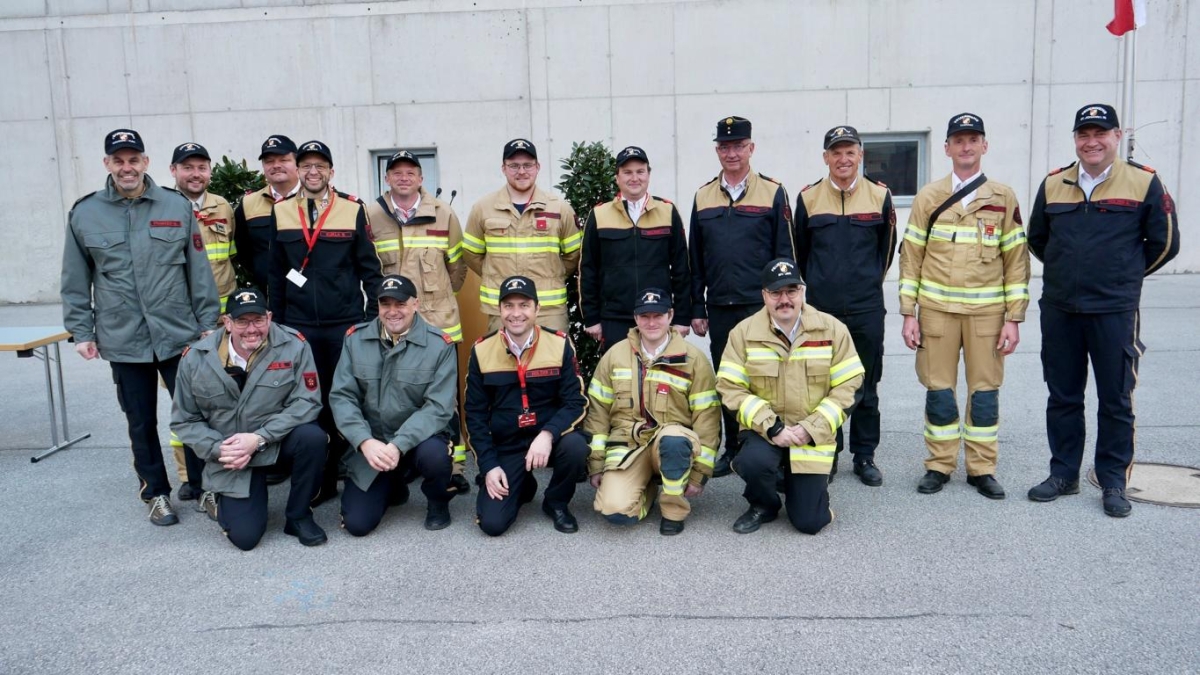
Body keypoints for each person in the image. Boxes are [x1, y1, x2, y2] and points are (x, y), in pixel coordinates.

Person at [1026, 103, 1180, 517]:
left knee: (1116, 399)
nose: (1091, 142)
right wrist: (1068, 274)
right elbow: (1038, 239)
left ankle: (1113, 481)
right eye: (1084, 134)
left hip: (1114, 311)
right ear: (1075, 139)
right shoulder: (1054, 183)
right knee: (1063, 396)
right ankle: (1063, 474)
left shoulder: (1143, 182)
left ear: (1117, 136)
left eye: (1100, 133)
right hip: (1061, 309)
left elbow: (1166, 243)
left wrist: (1123, 277)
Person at [61, 128, 219, 526]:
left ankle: (205, 487)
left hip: (178, 333)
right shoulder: (85, 213)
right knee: (141, 420)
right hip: (123, 336)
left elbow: (199, 271)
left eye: (133, 159)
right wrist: (82, 331)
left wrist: (206, 323)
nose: (126, 167)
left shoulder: (175, 206)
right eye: (118, 160)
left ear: (146, 162)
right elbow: (75, 279)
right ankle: (156, 493)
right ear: (107, 164)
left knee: (195, 414)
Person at [898, 113, 1030, 500]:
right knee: (939, 391)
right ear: (947, 148)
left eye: (973, 140)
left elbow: (1016, 262)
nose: (966, 147)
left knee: (984, 394)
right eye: (958, 140)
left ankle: (981, 468)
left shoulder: (1003, 198)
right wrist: (908, 313)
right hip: (936, 313)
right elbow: (911, 258)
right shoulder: (928, 197)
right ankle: (939, 465)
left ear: (984, 145)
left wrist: (1014, 318)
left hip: (986, 317)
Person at [268, 140, 384, 505]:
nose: (313, 172)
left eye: (320, 165)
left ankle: (349, 467)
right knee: (309, 401)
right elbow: (277, 275)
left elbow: (370, 271)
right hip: (299, 326)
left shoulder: (352, 209)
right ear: (297, 170)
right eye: (306, 166)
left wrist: (369, 322)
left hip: (344, 324)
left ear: (331, 171)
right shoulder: (282, 211)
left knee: (343, 398)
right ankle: (322, 477)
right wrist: (279, 326)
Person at [171, 288, 327, 549]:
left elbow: (307, 402)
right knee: (245, 538)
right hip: (232, 454)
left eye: (258, 320)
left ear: (269, 318)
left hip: (275, 442)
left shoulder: (294, 345)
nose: (252, 329)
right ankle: (229, 497)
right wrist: (219, 449)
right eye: (242, 321)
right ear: (227, 322)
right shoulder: (196, 358)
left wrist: (259, 438)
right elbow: (184, 420)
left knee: (313, 438)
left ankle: (299, 515)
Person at [716, 259, 863, 535]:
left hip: (811, 434)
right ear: (764, 295)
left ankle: (800, 486)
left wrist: (811, 428)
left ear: (802, 292)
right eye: (776, 292)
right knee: (752, 462)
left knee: (810, 522)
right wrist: (772, 427)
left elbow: (851, 385)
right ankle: (764, 505)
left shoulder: (832, 329)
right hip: (765, 431)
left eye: (791, 291)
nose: (784, 299)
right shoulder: (743, 333)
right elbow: (729, 387)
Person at [689, 116, 795, 478]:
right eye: (725, 146)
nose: (731, 153)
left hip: (760, 306)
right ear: (717, 150)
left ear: (751, 148)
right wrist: (697, 307)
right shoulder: (703, 196)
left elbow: (785, 253)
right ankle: (733, 447)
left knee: (768, 377)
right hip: (720, 306)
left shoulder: (773, 192)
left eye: (738, 146)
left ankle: (768, 444)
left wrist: (784, 304)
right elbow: (695, 258)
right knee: (728, 379)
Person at [794, 125, 896, 486]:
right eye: (836, 152)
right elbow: (801, 253)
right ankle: (829, 450)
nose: (843, 159)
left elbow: (886, 252)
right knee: (822, 384)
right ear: (826, 157)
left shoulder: (880, 196)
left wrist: (865, 284)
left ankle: (864, 455)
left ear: (860, 155)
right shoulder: (808, 198)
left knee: (866, 383)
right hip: (822, 310)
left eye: (850, 151)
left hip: (867, 307)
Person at [364, 150, 471, 494]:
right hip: (393, 325)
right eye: (396, 172)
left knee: (447, 400)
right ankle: (404, 461)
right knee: (395, 395)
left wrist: (435, 299)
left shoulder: (443, 214)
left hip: (439, 323)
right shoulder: (370, 215)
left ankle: (453, 465)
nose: (404, 177)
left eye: (411, 172)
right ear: (387, 178)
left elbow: (457, 267)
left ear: (422, 178)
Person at [330, 275, 459, 535]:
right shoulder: (355, 339)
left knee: (435, 456)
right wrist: (364, 441)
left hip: (420, 440)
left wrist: (399, 444)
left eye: (400, 304)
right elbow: (342, 397)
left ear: (415, 304)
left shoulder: (439, 345)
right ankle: (392, 484)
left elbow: (438, 407)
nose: (392, 311)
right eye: (385, 304)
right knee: (357, 524)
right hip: (374, 443)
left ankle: (438, 502)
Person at [584, 289, 719, 535]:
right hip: (628, 445)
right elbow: (598, 413)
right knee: (613, 511)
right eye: (645, 316)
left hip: (671, 443)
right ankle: (647, 489)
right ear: (636, 318)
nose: (651, 322)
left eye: (658, 315)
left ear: (670, 316)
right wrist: (596, 464)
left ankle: (673, 510)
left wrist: (700, 474)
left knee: (674, 440)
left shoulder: (693, 359)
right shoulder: (615, 355)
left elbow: (707, 419)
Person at [465, 276, 589, 536]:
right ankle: (522, 484)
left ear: (537, 308)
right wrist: (489, 466)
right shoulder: (481, 350)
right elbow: (475, 415)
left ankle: (556, 502)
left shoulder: (559, 344)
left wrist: (547, 434)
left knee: (576, 446)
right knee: (492, 525)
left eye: (524, 305)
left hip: (549, 440)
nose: (516, 313)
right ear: (499, 310)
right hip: (508, 444)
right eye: (508, 306)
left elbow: (575, 402)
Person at [168, 141, 238, 500]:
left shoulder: (222, 207)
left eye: (201, 167)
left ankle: (224, 465)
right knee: (184, 400)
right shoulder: (163, 207)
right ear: (173, 171)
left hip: (222, 322)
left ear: (210, 171)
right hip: (181, 322)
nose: (195, 174)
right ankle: (188, 474)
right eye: (187, 167)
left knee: (221, 396)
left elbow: (231, 259)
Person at [579, 146, 691, 353]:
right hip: (614, 318)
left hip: (657, 316)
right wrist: (591, 318)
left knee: (660, 372)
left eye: (640, 171)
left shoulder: (667, 211)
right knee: (618, 372)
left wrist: (682, 317)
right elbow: (588, 269)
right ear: (617, 177)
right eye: (627, 172)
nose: (634, 178)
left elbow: (681, 268)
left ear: (648, 174)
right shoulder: (599, 215)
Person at [462, 139, 581, 332]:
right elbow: (470, 253)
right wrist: (494, 274)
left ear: (537, 167)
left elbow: (574, 254)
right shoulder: (483, 208)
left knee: (553, 353)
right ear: (503, 168)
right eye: (514, 166)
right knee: (501, 353)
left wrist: (552, 274)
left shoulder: (559, 208)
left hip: (549, 310)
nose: (522, 171)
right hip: (502, 307)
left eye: (527, 165)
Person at [233, 135, 300, 294]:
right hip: (268, 292)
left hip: (312, 292)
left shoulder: (315, 199)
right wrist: (262, 270)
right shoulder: (248, 204)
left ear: (297, 163)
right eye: (269, 161)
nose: (276, 165)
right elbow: (243, 250)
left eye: (284, 160)